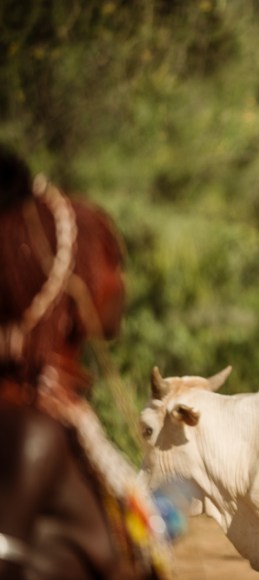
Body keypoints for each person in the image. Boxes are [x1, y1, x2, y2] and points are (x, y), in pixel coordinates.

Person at [0, 146, 171, 579]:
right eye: (114, 262)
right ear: (76, 285)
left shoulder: (51, 425)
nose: (122, 284)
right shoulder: (30, 435)